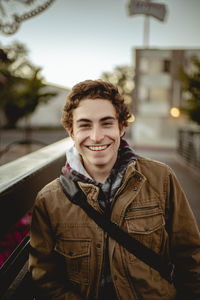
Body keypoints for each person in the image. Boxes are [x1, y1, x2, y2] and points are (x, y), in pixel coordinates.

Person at [29, 79, 200, 300]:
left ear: (122, 127)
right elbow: (44, 278)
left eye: (106, 123)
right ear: (71, 132)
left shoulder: (161, 179)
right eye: (85, 125)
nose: (97, 136)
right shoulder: (49, 200)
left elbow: (191, 257)